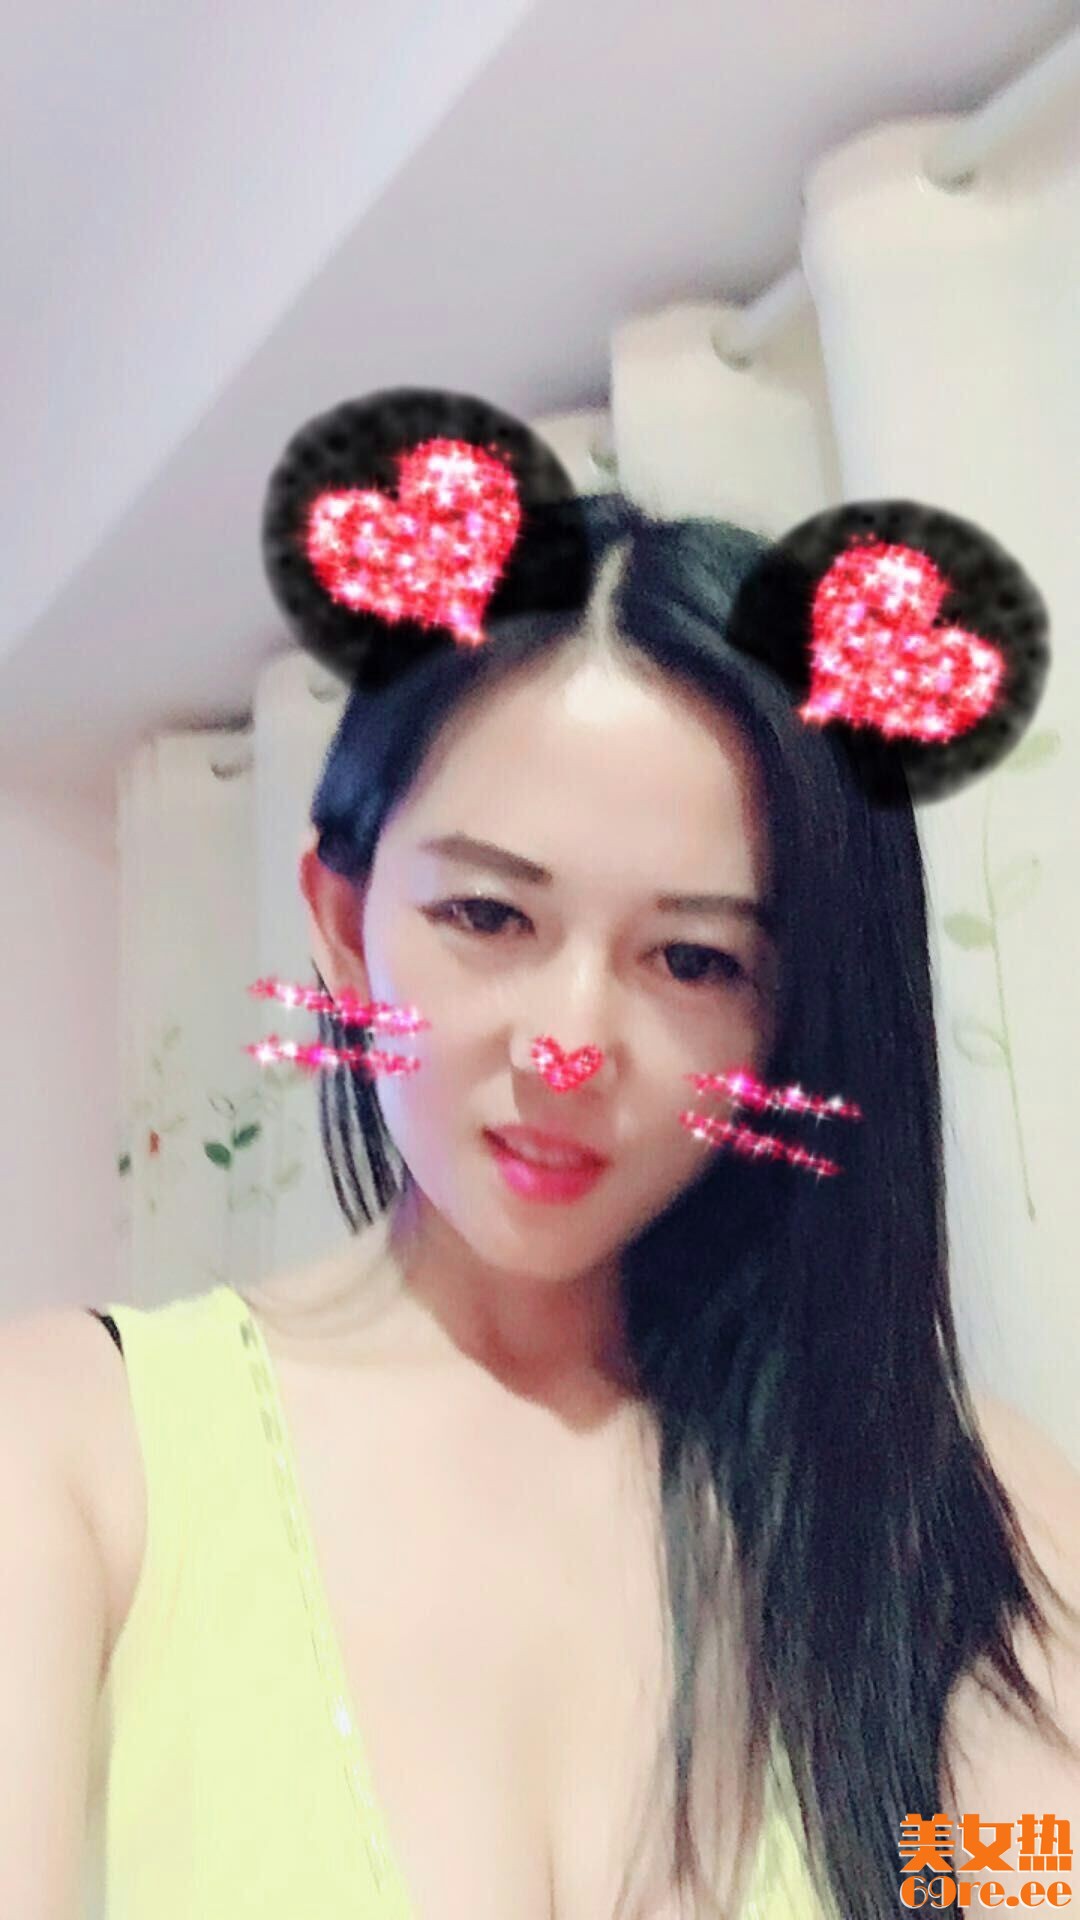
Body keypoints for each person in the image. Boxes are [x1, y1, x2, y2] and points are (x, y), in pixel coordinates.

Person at [5, 403, 1077, 1920]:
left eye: (693, 959)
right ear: (342, 925)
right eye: (490, 918)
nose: (571, 1046)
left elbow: (1025, 1884)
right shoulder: (74, 1447)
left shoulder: (956, 1502)